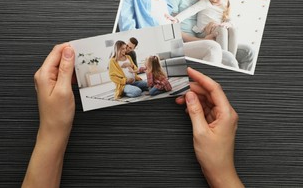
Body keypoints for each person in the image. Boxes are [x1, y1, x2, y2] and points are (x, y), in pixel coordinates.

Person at [22, 44, 244, 187]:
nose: (127, 51)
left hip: (148, 82)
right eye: (124, 49)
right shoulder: (116, 63)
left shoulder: (140, 64)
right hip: (126, 83)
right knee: (139, 89)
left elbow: (142, 73)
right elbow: (125, 76)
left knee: (143, 88)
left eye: (129, 49)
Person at [166, 0, 254, 71]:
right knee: (228, 58)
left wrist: (223, 24)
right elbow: (169, 28)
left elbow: (223, 12)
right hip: (189, 42)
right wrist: (201, 40)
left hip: (209, 38)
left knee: (248, 51)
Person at [173, 0, 238, 56]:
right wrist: (177, 19)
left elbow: (231, 21)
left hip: (217, 31)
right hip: (203, 32)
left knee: (233, 30)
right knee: (222, 30)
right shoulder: (205, 2)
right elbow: (191, 10)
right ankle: (224, 59)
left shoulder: (224, 6)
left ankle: (231, 58)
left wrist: (228, 24)